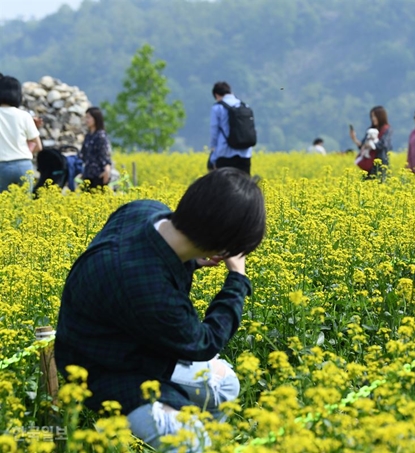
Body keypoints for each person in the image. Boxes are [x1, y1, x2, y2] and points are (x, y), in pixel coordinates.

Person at [55, 168, 266, 451]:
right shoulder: (150, 289)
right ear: (223, 247)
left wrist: (191, 258)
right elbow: (203, 343)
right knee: (191, 439)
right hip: (102, 369)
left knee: (225, 386)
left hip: (134, 343)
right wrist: (237, 280)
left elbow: (138, 261)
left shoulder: (144, 210)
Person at [0, 75, 43, 192]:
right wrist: (21, 153)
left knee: (3, 206)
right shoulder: (25, 115)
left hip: (2, 167)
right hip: (24, 165)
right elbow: (38, 146)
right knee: (25, 205)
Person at [208, 81, 253, 174]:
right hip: (245, 154)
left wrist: (213, 154)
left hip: (225, 154)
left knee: (224, 186)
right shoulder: (244, 106)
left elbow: (214, 130)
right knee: (243, 186)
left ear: (216, 95)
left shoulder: (218, 108)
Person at [349, 106, 392, 178]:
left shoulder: (387, 129)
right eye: (372, 116)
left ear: (381, 116)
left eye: (375, 116)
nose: (373, 118)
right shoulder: (370, 129)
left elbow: (383, 144)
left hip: (380, 165)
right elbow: (362, 146)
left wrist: (370, 145)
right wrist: (354, 138)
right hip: (368, 165)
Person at [79, 107, 112, 189]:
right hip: (88, 174)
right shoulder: (88, 136)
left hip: (99, 174)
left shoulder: (101, 135)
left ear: (96, 119)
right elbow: (83, 154)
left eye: (88, 117)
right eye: (86, 117)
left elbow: (104, 155)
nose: (86, 120)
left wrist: (107, 171)